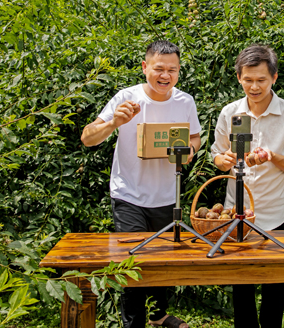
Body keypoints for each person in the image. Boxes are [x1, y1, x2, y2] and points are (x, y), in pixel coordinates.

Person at [81, 40, 199, 328]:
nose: (165, 75)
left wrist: (188, 153)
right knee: (132, 262)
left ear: (179, 72)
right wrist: (112, 123)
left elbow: (194, 138)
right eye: (159, 68)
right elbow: (87, 137)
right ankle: (133, 323)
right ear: (145, 67)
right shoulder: (127, 98)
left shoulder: (185, 101)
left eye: (173, 70)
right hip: (129, 195)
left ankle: (159, 315)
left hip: (167, 195)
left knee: (162, 260)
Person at [211, 44, 284, 328]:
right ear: (239, 77)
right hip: (236, 214)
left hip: (276, 214)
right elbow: (217, 156)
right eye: (248, 80)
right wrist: (223, 158)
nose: (254, 87)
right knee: (241, 289)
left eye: (261, 80)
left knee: (274, 289)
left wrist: (273, 157)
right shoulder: (230, 113)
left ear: (274, 78)